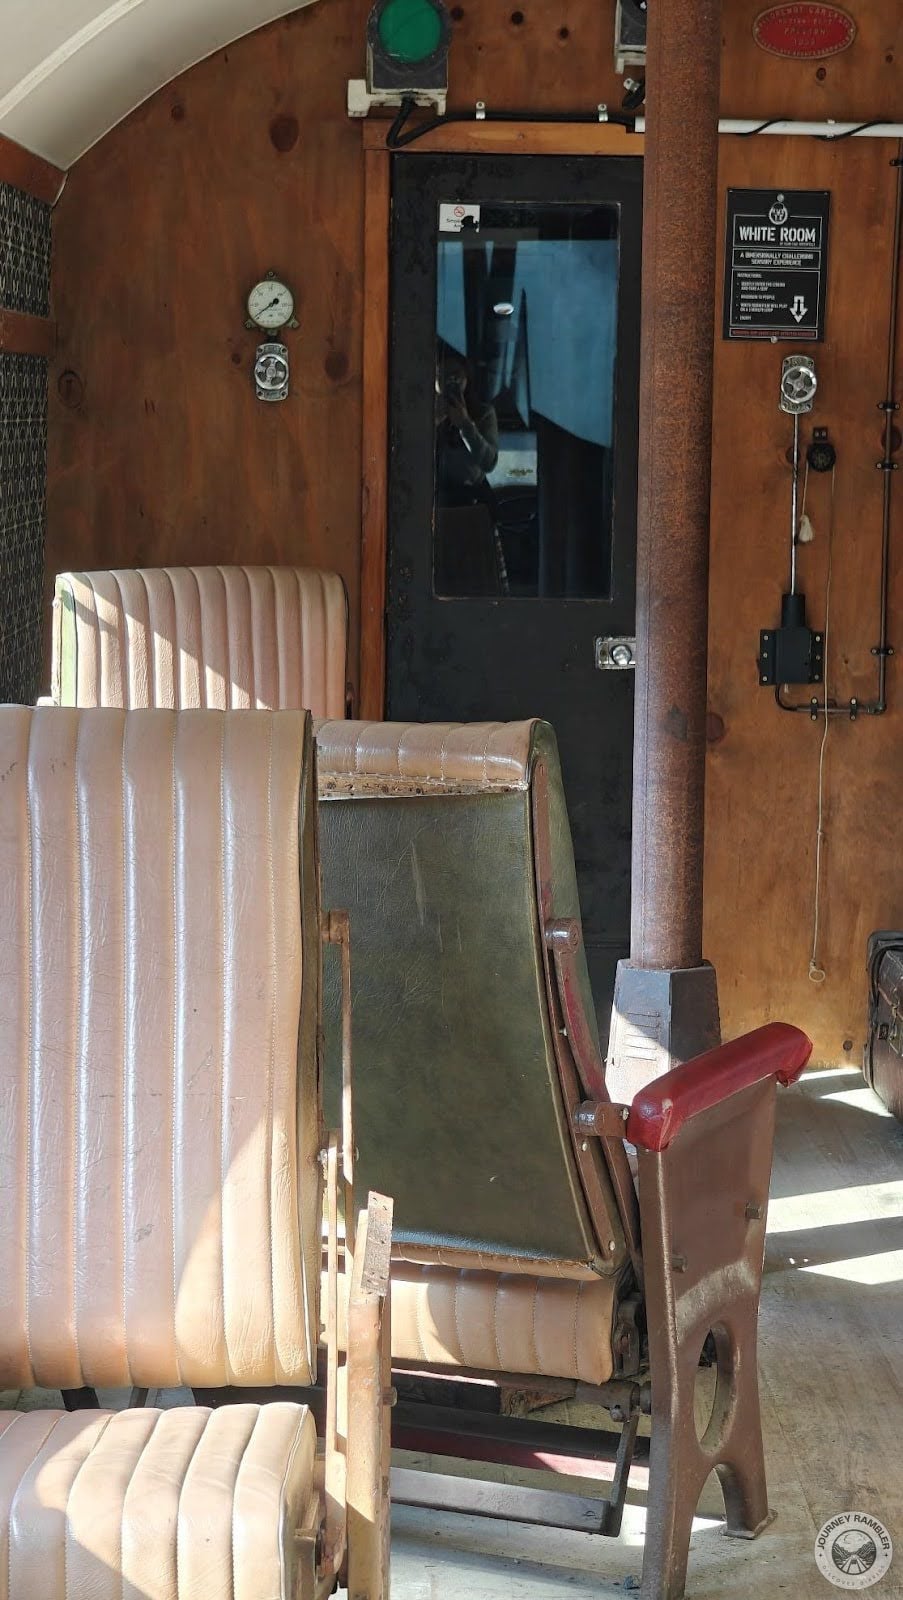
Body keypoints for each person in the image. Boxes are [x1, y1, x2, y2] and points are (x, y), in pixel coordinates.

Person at [435, 351, 499, 504]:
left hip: (471, 498)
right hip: (436, 497)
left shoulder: (483, 413)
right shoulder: (427, 413)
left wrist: (466, 424)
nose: (451, 381)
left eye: (456, 375)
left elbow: (489, 463)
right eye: (444, 376)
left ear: (466, 377)